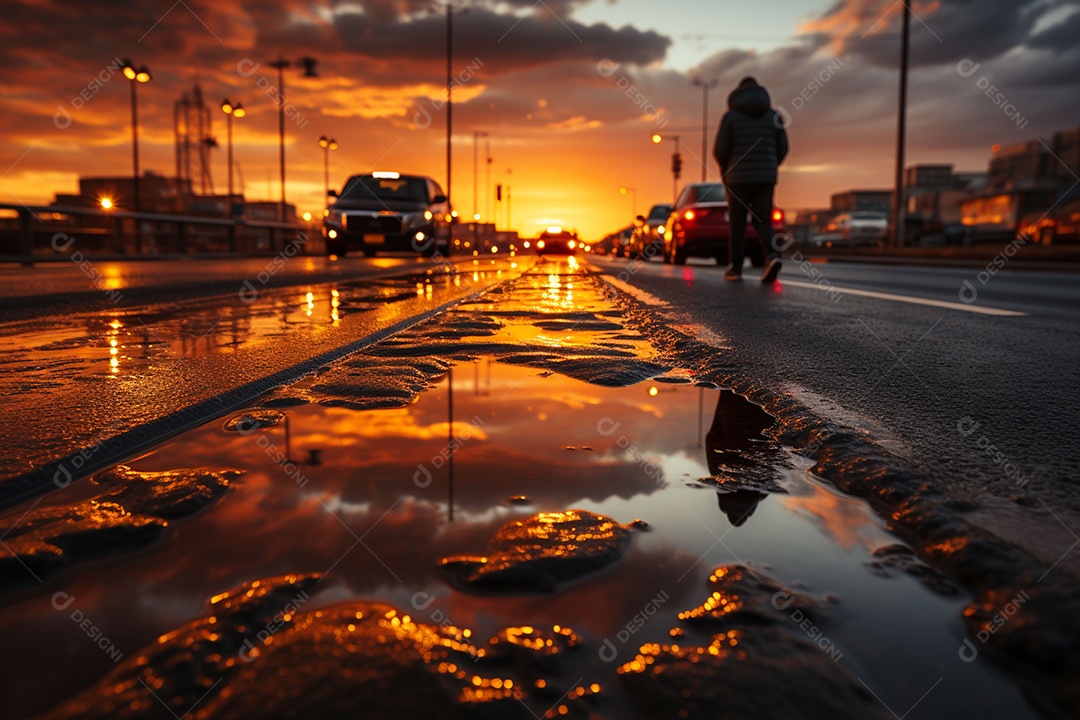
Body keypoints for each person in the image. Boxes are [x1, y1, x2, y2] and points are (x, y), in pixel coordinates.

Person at [714, 77, 789, 282]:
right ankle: (773, 256)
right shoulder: (774, 116)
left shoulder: (730, 117)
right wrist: (771, 165)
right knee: (763, 220)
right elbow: (783, 148)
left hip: (737, 179)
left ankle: (735, 268)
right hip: (765, 179)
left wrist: (727, 171)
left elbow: (720, 150)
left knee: (737, 225)